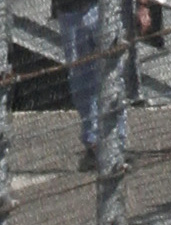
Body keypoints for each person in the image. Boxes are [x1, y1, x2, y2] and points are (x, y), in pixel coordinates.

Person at [52, 0, 151, 169]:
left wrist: (142, 6)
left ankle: (116, 144)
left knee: (113, 73)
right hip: (70, 10)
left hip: (104, 10)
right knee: (81, 82)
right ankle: (94, 145)